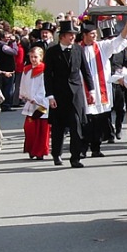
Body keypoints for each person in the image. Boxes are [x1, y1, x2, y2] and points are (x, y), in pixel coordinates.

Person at [43, 20, 95, 168]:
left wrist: (91, 90)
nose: (73, 37)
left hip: (76, 93)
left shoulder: (79, 49)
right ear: (62, 36)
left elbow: (86, 71)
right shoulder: (52, 52)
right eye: (70, 35)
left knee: (76, 125)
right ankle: (57, 154)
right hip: (59, 94)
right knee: (59, 126)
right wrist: (50, 95)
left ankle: (75, 157)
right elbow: (47, 75)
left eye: (74, 35)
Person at [79, 21, 127, 157]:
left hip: (101, 91)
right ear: (84, 35)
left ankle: (96, 148)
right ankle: (82, 149)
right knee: (86, 122)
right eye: (92, 34)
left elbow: (119, 40)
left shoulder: (102, 47)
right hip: (84, 90)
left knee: (100, 120)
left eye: (96, 34)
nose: (95, 36)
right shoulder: (78, 49)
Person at [19, 45, 50, 160]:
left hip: (41, 103)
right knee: (30, 128)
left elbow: (44, 86)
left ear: (41, 57)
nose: (33, 59)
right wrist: (24, 94)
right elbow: (23, 83)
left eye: (36, 57)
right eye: (31, 57)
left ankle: (40, 151)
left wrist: (37, 98)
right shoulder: (26, 69)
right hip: (30, 102)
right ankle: (31, 149)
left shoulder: (44, 70)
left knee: (41, 128)